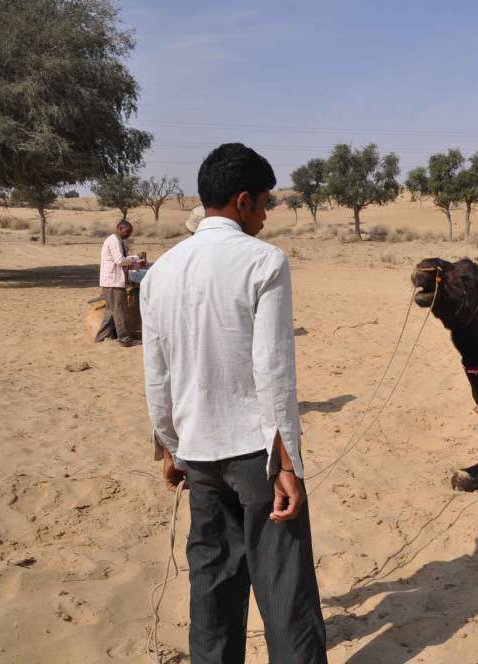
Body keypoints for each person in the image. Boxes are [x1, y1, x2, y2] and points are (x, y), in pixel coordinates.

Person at [141, 143, 328, 663]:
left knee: (212, 589)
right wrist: (287, 463)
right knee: (285, 590)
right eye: (265, 204)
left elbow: (157, 375)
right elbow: (273, 370)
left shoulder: (159, 273)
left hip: (197, 452)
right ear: (243, 200)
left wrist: (169, 447)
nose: (267, 217)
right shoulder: (264, 261)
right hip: (256, 456)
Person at [95, 220, 142, 346]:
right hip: (113, 282)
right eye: (127, 232)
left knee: (111, 310)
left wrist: (135, 263)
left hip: (111, 281)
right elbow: (120, 261)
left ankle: (101, 336)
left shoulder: (118, 241)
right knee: (119, 310)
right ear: (120, 229)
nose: (129, 234)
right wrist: (136, 257)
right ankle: (125, 339)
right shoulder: (114, 241)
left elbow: (122, 262)